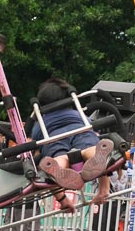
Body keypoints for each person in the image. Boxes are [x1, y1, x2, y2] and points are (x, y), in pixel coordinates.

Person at [29, 78, 116, 209]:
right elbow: (91, 127)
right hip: (79, 129)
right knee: (89, 148)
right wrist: (104, 189)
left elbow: (34, 141)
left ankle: (59, 167)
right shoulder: (77, 114)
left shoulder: (39, 123)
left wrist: (63, 200)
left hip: (52, 136)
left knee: (59, 156)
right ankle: (93, 155)